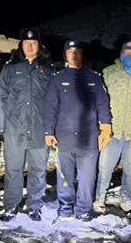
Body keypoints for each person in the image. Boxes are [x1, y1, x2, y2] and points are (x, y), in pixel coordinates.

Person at [44, 39, 113, 222]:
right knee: (65, 177)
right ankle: (65, 209)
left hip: (88, 137)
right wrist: (48, 131)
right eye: (70, 51)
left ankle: (84, 210)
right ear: (65, 55)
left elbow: (103, 104)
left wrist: (106, 126)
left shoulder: (94, 78)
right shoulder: (58, 79)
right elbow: (50, 107)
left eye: (77, 51)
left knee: (87, 178)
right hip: (64, 136)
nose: (74, 55)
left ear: (82, 55)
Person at [0, 28, 55, 222]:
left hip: (39, 130)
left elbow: (55, 100)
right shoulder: (10, 68)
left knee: (38, 170)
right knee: (13, 171)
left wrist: (52, 128)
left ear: (39, 46)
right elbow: (0, 97)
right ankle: (11, 206)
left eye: (33, 43)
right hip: (14, 130)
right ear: (21, 45)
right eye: (26, 43)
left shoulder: (48, 69)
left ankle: (34, 205)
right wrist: (0, 127)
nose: (29, 46)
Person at [95, 41, 131, 213]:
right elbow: (99, 99)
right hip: (113, 129)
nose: (129, 56)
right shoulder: (108, 73)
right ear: (120, 54)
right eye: (125, 53)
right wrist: (100, 124)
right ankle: (99, 198)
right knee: (104, 167)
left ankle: (127, 199)